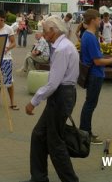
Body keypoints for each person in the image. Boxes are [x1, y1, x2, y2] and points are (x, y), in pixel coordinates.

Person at [23, 16, 79, 182]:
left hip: (61, 95)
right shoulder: (64, 45)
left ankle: (70, 180)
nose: (44, 34)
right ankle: (38, 177)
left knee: (55, 142)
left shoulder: (62, 49)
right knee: (39, 135)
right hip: (63, 94)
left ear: (54, 31)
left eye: (46, 31)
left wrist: (34, 101)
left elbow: (53, 83)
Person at [80, 9, 112, 144]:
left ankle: (84, 132)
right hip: (95, 75)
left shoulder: (88, 36)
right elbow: (98, 61)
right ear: (93, 20)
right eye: (99, 19)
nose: (100, 21)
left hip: (93, 74)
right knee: (90, 104)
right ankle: (85, 133)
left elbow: (97, 57)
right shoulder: (90, 37)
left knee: (89, 104)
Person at [0, 10, 19, 110]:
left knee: (9, 81)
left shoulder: (8, 29)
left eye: (1, 20)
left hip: (6, 58)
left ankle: (12, 102)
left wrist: (7, 48)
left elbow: (13, 43)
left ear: (4, 20)